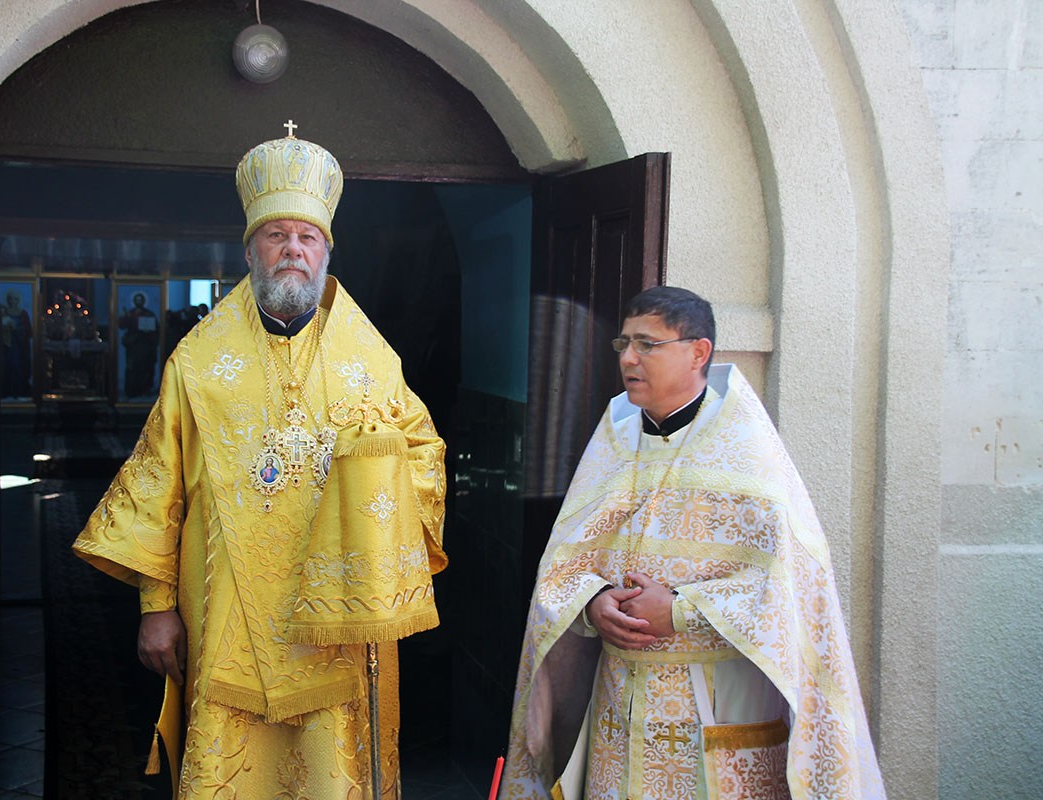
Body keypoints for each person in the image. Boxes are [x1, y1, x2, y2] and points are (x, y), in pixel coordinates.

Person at [73, 129, 448, 798]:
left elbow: (426, 462)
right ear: (250, 251)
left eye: (307, 237)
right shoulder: (197, 364)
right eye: (276, 235)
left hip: (340, 620)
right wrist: (157, 606)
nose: (292, 249)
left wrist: (383, 548)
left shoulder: (373, 363)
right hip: (225, 615)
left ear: (327, 252)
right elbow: (156, 483)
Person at [501, 287, 885, 799]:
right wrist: (593, 603)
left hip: (716, 709)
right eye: (623, 343)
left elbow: (788, 586)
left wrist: (681, 611)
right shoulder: (614, 437)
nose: (628, 358)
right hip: (619, 706)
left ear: (698, 352)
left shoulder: (745, 449)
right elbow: (564, 564)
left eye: (647, 344)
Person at [119, 291, 159, 398]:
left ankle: (144, 390)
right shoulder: (130, 313)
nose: (139, 302)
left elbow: (156, 328)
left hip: (145, 345)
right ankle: (131, 391)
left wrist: (149, 331)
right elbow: (122, 325)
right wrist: (125, 317)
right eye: (137, 300)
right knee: (132, 368)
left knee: (145, 368)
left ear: (143, 301)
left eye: (140, 300)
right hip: (133, 345)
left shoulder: (149, 314)